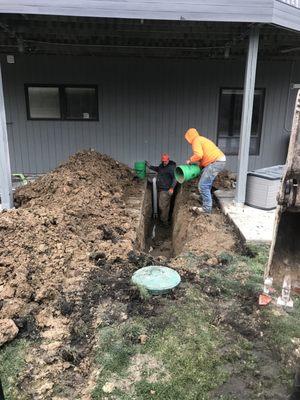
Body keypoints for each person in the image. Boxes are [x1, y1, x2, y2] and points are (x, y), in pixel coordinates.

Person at [185, 128, 226, 214]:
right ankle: (205, 199)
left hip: (215, 162)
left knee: (203, 185)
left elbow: (199, 155)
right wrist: (200, 167)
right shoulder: (201, 139)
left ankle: (207, 208)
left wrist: (190, 160)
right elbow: (204, 157)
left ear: (189, 137)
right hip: (218, 161)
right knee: (207, 183)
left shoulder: (196, 141)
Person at [146, 154, 176, 224]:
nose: (164, 162)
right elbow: (157, 169)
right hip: (160, 189)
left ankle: (164, 221)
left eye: (165, 161)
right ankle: (162, 219)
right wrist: (150, 166)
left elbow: (175, 178)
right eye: (163, 161)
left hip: (166, 190)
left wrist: (172, 188)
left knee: (163, 206)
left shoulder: (171, 168)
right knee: (162, 205)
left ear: (168, 160)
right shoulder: (161, 166)